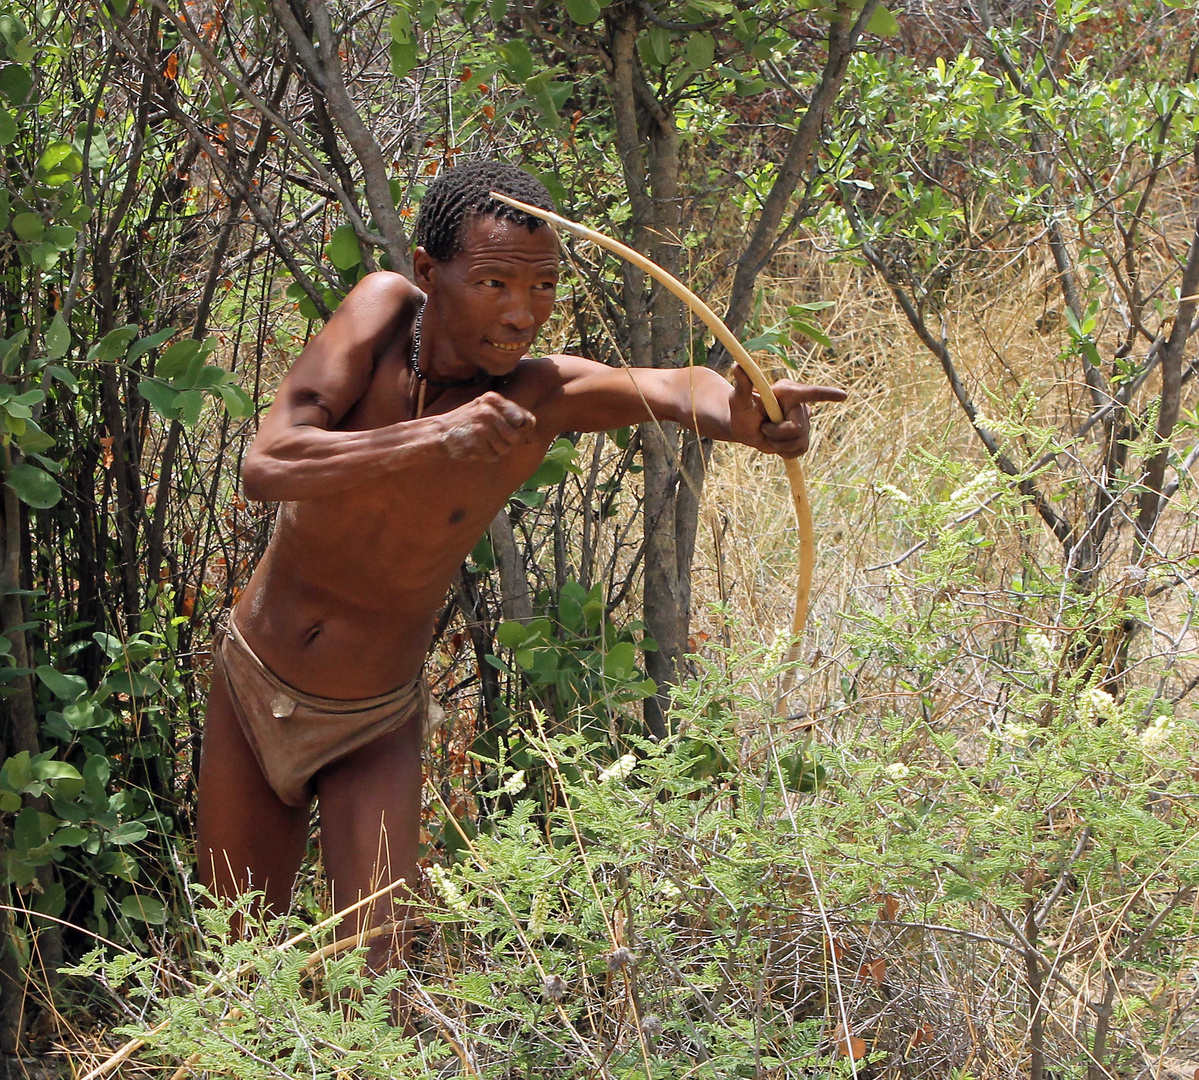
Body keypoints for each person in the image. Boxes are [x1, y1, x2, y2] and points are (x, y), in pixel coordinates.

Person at [195, 160, 845, 965]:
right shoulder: (384, 309)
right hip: (255, 681)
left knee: (374, 982)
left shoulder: (541, 396)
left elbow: (678, 387)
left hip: (370, 722)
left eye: (543, 288)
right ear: (430, 273)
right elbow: (269, 463)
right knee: (233, 968)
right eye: (495, 282)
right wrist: (433, 437)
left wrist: (749, 414)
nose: (523, 313)